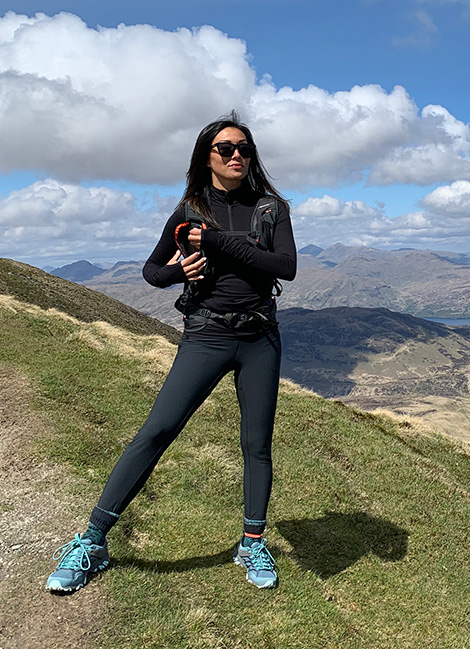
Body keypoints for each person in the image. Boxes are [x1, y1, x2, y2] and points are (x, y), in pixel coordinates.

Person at [46, 112, 297, 591]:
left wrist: (221, 241)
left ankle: (252, 542)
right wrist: (181, 270)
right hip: (205, 335)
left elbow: (285, 266)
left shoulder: (271, 208)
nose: (238, 155)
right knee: (157, 430)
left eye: (244, 148)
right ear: (207, 157)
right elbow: (152, 271)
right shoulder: (189, 210)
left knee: (256, 444)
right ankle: (92, 540)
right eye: (226, 148)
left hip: (260, 338)